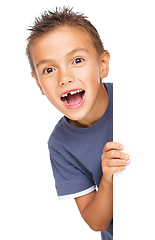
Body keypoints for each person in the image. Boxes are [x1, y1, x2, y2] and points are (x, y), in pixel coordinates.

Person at [26, 7, 130, 240]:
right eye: (49, 69)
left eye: (77, 60)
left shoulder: (138, 100)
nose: (65, 78)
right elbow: (97, 222)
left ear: (102, 63)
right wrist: (108, 178)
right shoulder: (60, 143)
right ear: (39, 84)